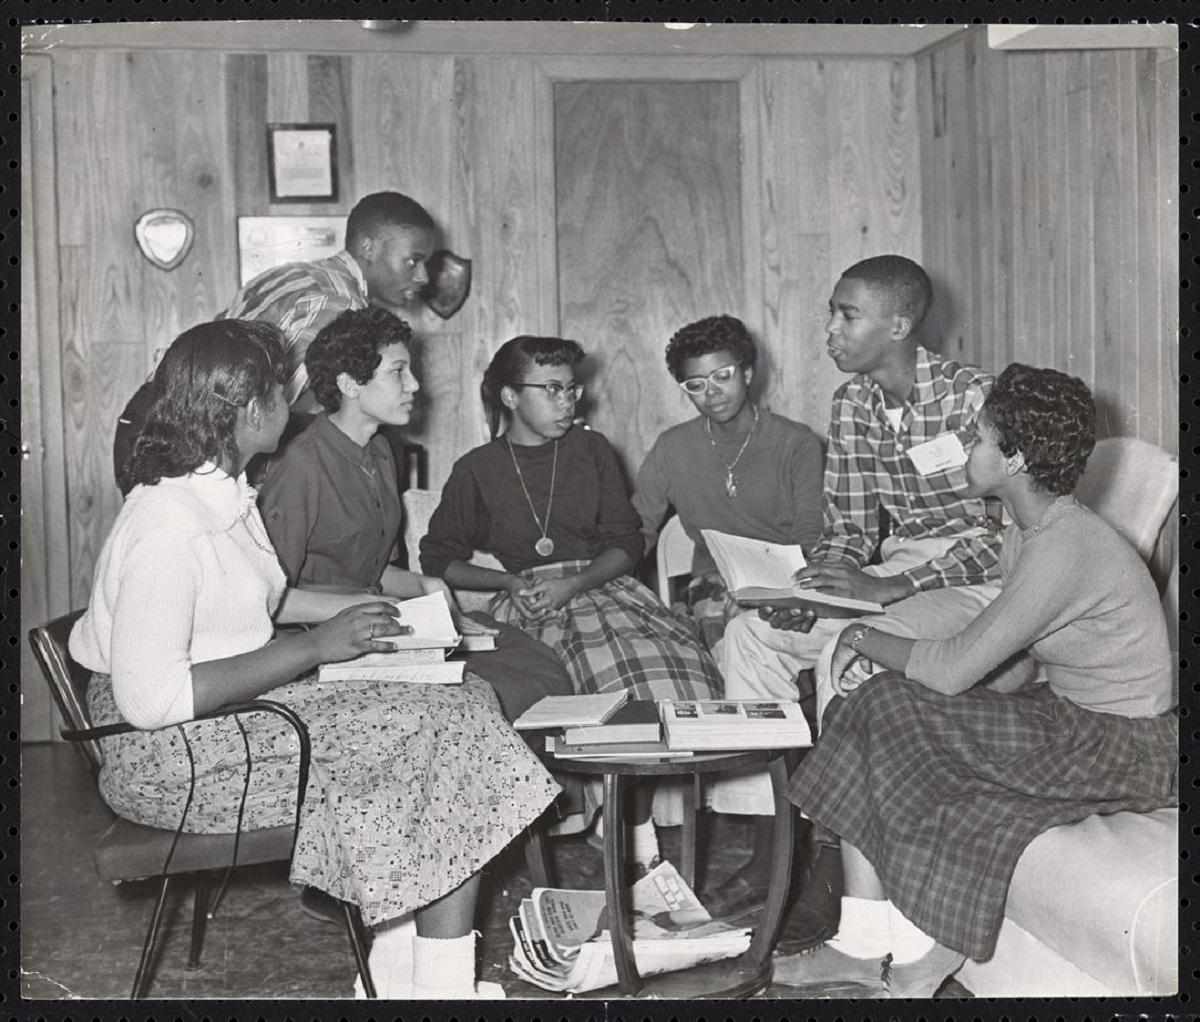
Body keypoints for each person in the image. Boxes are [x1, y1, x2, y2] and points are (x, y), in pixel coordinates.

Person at [70, 320, 559, 999]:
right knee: (449, 739)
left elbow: (259, 602)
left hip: (223, 719)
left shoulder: (216, 491)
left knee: (462, 705)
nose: (294, 404)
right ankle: (439, 985)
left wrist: (365, 618)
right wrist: (316, 648)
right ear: (247, 412)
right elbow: (150, 702)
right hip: (168, 759)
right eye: (280, 392)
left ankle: (393, 975)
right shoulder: (169, 526)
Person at [770, 363, 1177, 997]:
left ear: (1014, 459)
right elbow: (1014, 664)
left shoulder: (1066, 545)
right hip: (1071, 718)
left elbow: (955, 666)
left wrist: (857, 636)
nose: (966, 445)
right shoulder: (1027, 528)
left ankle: (904, 956)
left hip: (1126, 745)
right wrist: (952, 711)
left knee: (889, 700)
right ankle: (862, 941)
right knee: (883, 704)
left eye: (980, 436)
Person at [704, 255, 1003, 922]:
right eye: (831, 314)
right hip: (889, 574)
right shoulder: (853, 404)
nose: (829, 330)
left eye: (847, 314)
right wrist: (813, 585)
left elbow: (1006, 535)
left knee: (850, 647)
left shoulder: (973, 397)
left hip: (978, 581)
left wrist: (892, 587)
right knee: (750, 636)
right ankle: (771, 843)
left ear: (899, 323)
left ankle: (840, 857)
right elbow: (848, 525)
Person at [419, 335, 723, 872]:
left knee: (666, 671)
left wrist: (576, 583)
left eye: (572, 389)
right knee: (572, 676)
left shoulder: (591, 451)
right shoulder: (478, 468)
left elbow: (626, 543)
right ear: (510, 397)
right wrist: (508, 585)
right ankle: (607, 822)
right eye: (553, 390)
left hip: (599, 586)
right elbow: (438, 556)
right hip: (527, 598)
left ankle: (631, 824)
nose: (568, 402)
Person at [257, 306, 573, 722]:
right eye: (398, 372)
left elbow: (369, 569)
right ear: (350, 383)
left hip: (375, 627)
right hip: (318, 645)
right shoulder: (301, 465)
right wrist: (372, 606)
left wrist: (426, 584)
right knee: (492, 695)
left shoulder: (381, 451)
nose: (415, 384)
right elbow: (266, 602)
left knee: (537, 665)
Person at [114, 192, 438, 491]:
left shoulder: (293, 273)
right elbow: (270, 410)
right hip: (185, 440)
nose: (423, 276)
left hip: (153, 420)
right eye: (413, 260)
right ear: (369, 248)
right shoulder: (339, 303)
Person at [632, 314, 823, 654]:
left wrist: (790, 593)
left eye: (723, 376)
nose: (712, 392)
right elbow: (637, 530)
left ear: (747, 373)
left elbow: (811, 534)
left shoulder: (797, 443)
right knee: (723, 628)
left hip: (789, 579)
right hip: (713, 583)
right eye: (696, 384)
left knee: (770, 631)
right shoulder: (672, 447)